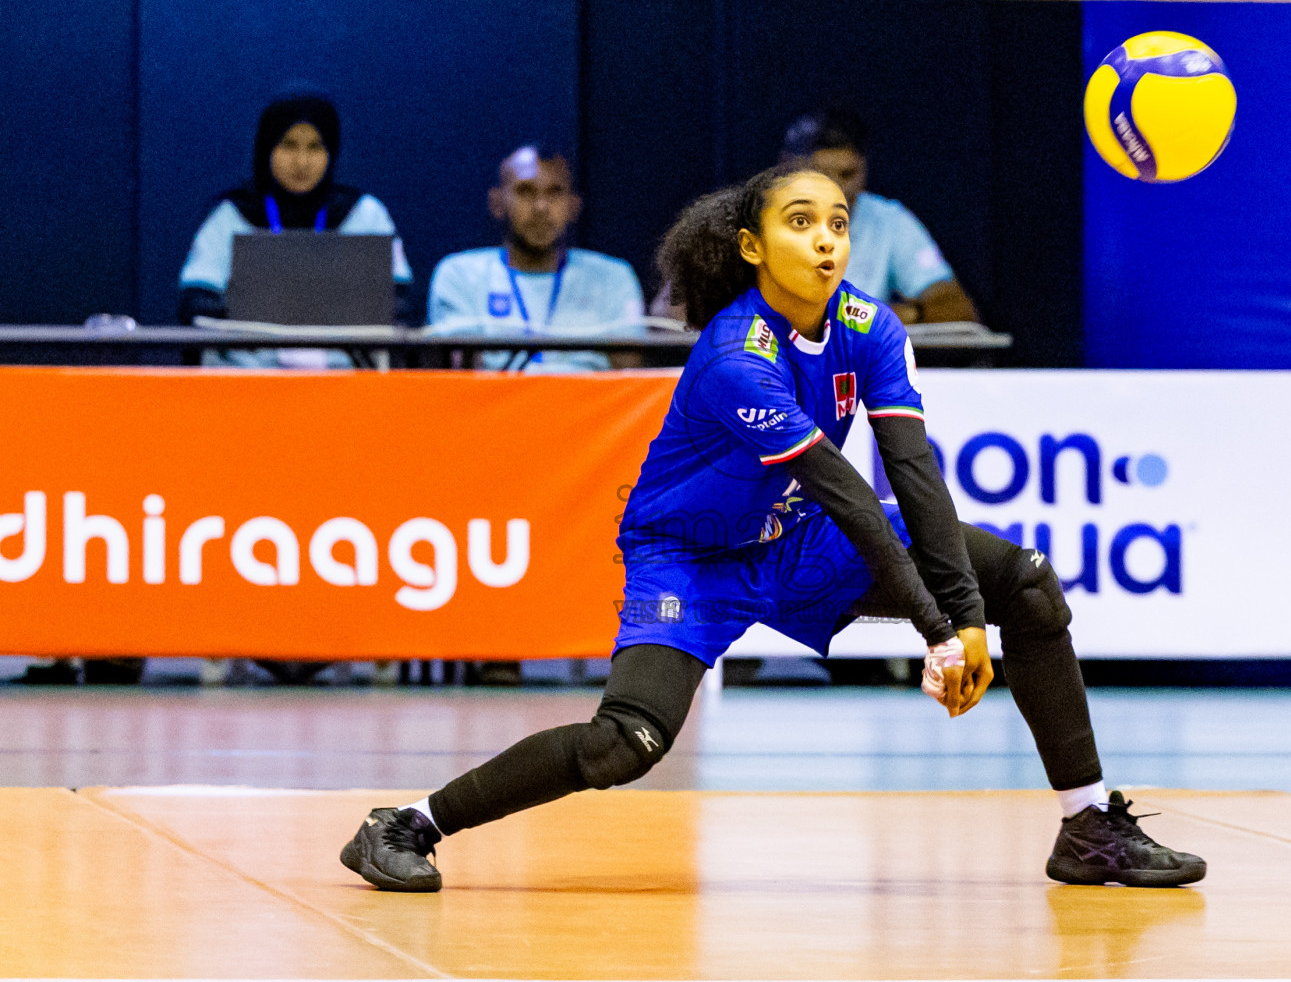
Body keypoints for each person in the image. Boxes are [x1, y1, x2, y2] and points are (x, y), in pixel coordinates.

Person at [339, 166, 1206, 892]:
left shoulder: (869, 325)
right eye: (801, 222)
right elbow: (848, 495)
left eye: (838, 222)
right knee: (626, 743)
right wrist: (941, 633)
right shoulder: (733, 355)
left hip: (795, 537)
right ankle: (408, 823)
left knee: (1025, 582)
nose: (827, 239)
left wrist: (973, 618)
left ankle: (1088, 827)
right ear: (753, 246)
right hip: (694, 555)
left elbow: (912, 474)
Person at [178, 92, 414, 368]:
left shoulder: (364, 215)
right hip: (248, 381)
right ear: (266, 148)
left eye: (315, 147)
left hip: (347, 385)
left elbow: (397, 306)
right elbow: (197, 304)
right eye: (289, 145)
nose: (302, 162)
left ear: (332, 151)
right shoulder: (232, 215)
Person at [427, 145, 644, 372]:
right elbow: (464, 378)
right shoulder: (458, 275)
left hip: (592, 405)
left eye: (554, 192)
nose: (541, 207)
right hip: (494, 405)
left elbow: (629, 381)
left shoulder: (613, 278)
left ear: (574, 206)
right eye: (525, 191)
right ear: (497, 203)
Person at [781, 108, 978, 325]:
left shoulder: (887, 220)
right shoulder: (753, 220)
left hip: (863, 358)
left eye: (847, 174)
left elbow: (957, 309)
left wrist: (902, 315)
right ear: (788, 168)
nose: (835, 190)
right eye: (821, 175)